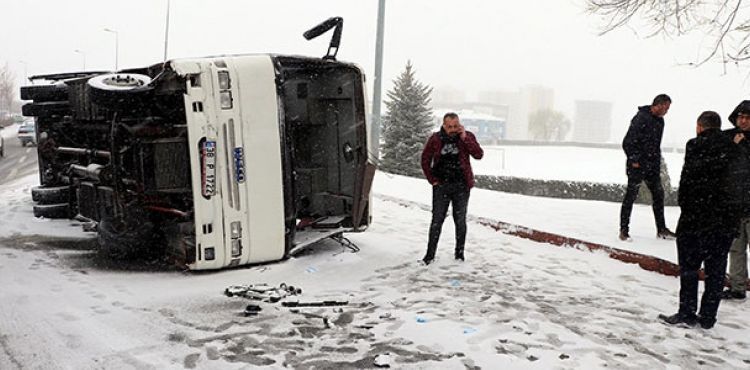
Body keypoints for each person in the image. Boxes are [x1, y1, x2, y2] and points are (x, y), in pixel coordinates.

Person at [659, 111, 738, 329]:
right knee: (715, 272)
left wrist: (686, 207)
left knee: (689, 268)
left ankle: (687, 312)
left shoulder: (695, 145)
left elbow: (687, 182)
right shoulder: (732, 146)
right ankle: (708, 317)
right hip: (723, 221)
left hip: (695, 219)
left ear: (699, 126)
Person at [420, 112, 483, 265]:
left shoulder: (466, 137)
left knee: (460, 220)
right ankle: (429, 256)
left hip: (461, 186)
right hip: (441, 186)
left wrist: (465, 138)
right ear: (443, 125)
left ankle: (459, 254)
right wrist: (432, 180)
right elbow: (425, 159)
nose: (453, 129)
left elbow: (478, 154)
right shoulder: (435, 139)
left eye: (456, 126)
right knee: (437, 220)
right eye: (450, 126)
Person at [619, 94, 676, 241]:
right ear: (658, 105)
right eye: (666, 108)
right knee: (631, 196)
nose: (667, 111)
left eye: (669, 109)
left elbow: (655, 145)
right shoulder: (641, 118)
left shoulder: (660, 122)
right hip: (637, 165)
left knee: (658, 195)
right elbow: (627, 142)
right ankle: (624, 230)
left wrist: (656, 161)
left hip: (652, 166)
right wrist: (634, 160)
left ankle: (661, 229)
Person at [721, 100, 750, 300]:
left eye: (748, 118)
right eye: (741, 117)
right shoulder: (727, 137)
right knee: (736, 249)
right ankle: (737, 287)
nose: (744, 121)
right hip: (734, 204)